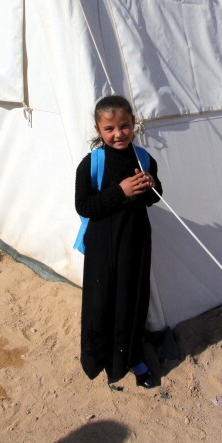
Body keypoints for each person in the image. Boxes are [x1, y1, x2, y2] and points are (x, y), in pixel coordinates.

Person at [74, 95, 162, 389]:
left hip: (136, 243)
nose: (118, 134)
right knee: (103, 301)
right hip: (103, 248)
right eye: (109, 129)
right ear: (99, 130)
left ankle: (132, 357)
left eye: (124, 126)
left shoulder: (144, 158)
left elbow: (155, 197)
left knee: (133, 300)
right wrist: (120, 192)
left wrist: (149, 186)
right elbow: (84, 206)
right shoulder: (91, 164)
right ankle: (98, 358)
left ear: (133, 125)